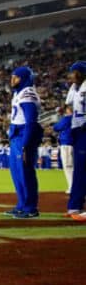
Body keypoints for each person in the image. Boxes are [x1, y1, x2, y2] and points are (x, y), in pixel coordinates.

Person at [6, 66, 42, 218]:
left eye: (17, 77)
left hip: (23, 135)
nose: (13, 79)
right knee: (16, 172)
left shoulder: (27, 93)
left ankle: (30, 208)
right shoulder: (19, 93)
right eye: (12, 76)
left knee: (25, 172)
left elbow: (31, 121)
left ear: (25, 78)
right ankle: (22, 204)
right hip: (16, 135)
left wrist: (26, 144)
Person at [65, 61, 86, 220]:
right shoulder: (74, 88)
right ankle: (75, 207)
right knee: (79, 169)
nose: (71, 75)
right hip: (77, 131)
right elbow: (69, 107)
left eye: (74, 72)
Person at [54, 106, 75, 194]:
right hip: (75, 144)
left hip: (66, 144)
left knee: (68, 167)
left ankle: (72, 187)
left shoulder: (67, 118)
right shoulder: (78, 118)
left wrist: (60, 117)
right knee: (75, 167)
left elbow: (56, 127)